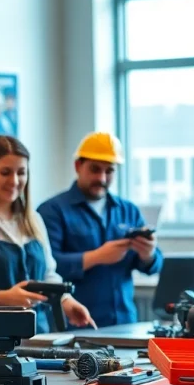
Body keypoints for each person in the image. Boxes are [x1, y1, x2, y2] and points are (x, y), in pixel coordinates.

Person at [0, 136, 95, 351]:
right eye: (5, 172)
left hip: (36, 339)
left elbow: (48, 274)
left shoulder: (33, 220)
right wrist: (3, 298)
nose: (15, 181)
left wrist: (66, 301)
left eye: (21, 172)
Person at [37, 132, 163, 328]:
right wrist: (95, 257)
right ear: (78, 166)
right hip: (75, 325)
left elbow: (154, 265)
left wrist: (149, 254)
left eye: (109, 171)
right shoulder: (51, 211)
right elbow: (43, 268)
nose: (102, 178)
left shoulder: (128, 210)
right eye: (95, 169)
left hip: (124, 321)